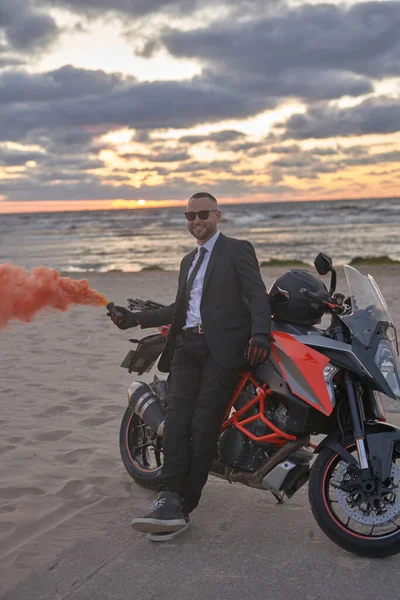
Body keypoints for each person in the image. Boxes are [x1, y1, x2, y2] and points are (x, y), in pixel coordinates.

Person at [108, 192, 272, 542]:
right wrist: (134, 319)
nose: (195, 221)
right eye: (189, 215)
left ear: (217, 215)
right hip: (186, 347)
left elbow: (258, 295)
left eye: (202, 214)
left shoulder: (237, 249)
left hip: (222, 351)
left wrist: (260, 334)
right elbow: (177, 308)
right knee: (177, 423)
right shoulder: (188, 261)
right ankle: (166, 497)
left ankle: (184, 505)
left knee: (203, 427)